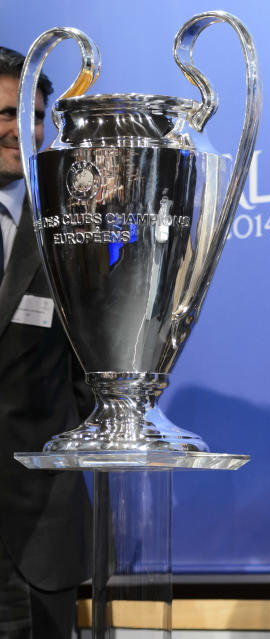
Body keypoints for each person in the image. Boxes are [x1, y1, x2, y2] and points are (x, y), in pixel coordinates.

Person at [0, 46, 92, 638]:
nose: (22, 129)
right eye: (5, 114)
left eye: (33, 115)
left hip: (39, 532)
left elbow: (96, 369)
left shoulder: (73, 227)